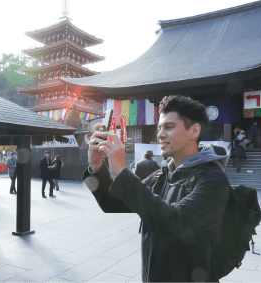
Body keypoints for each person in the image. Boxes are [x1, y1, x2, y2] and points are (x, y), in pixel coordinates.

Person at [83, 95, 229, 283]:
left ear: (194, 131)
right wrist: (95, 167)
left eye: (169, 127)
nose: (160, 134)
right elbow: (111, 204)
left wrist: (121, 170)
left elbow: (173, 224)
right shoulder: (162, 175)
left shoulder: (213, 179)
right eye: (159, 128)